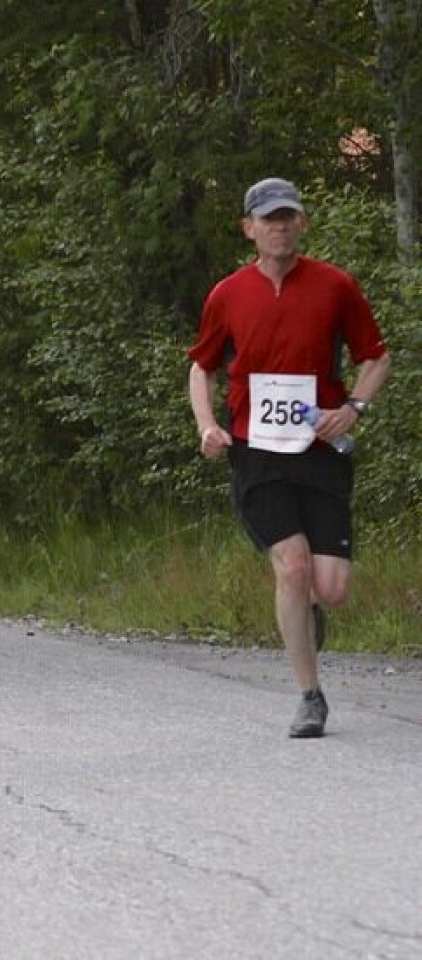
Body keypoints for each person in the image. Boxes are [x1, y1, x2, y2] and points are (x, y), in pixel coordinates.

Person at [188, 177, 391, 738]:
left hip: (320, 448)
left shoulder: (335, 286)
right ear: (249, 228)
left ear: (302, 224)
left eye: (288, 217)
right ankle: (309, 694)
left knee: (330, 587)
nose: (279, 227)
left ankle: (307, 612)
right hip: (256, 450)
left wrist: (353, 407)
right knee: (292, 566)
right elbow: (201, 367)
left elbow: (376, 358)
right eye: (268, 218)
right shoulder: (228, 294)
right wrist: (208, 425)